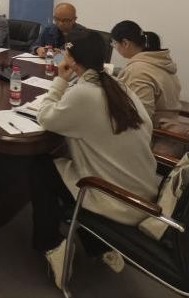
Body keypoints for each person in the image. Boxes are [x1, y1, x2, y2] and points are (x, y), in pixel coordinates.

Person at [32, 30, 157, 289]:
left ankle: (52, 245)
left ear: (73, 62)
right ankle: (98, 244)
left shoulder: (84, 94)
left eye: (66, 55)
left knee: (39, 167)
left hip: (117, 200)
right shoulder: (119, 86)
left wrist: (60, 81)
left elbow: (45, 117)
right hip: (143, 192)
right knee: (63, 162)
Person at [110, 20, 181, 127]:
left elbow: (140, 117)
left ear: (125, 43)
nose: (114, 47)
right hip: (169, 126)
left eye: (114, 43)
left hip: (155, 132)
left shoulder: (138, 70)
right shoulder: (161, 63)